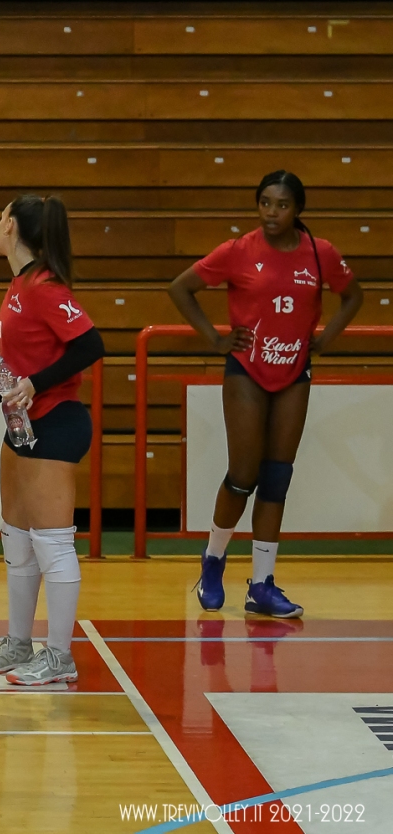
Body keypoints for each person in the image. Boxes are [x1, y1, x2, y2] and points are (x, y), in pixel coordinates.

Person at [170, 171, 362, 620]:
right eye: (265, 203)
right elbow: (180, 287)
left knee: (277, 477)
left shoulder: (321, 252)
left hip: (294, 371)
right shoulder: (238, 250)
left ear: (298, 210)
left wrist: (326, 337)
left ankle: (262, 584)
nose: (272, 213)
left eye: (282, 205)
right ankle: (214, 559)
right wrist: (216, 339)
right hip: (248, 371)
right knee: (243, 475)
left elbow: (353, 296)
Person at [0, 196, 104, 687]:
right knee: (18, 539)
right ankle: (19, 643)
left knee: (53, 544)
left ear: (11, 226)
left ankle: (60, 656)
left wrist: (36, 384)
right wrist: (1, 387)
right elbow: (28, 353)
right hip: (20, 426)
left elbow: (90, 344)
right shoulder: (19, 284)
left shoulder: (45, 285)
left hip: (57, 423)